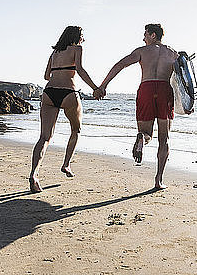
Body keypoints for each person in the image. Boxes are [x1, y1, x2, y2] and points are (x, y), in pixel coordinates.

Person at [98, 23, 178, 190]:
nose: (143, 38)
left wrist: (103, 85)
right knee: (164, 139)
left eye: (145, 34)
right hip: (165, 91)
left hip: (146, 89)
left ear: (153, 35)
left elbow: (120, 64)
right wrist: (188, 104)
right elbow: (185, 81)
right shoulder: (173, 54)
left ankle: (142, 138)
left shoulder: (142, 51)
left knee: (147, 133)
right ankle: (158, 180)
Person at [29, 26, 102, 193]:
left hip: (49, 93)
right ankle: (66, 164)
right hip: (68, 92)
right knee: (76, 130)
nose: (83, 39)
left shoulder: (54, 53)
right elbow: (81, 70)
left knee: (44, 137)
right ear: (76, 37)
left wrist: (59, 70)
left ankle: (34, 175)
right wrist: (95, 88)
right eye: (82, 36)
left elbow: (47, 76)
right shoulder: (77, 48)